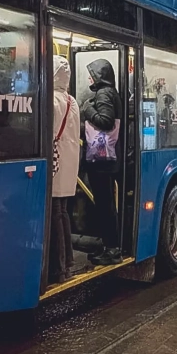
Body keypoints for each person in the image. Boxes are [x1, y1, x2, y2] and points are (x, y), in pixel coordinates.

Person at [81, 58, 123, 266]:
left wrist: (87, 110)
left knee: (105, 205)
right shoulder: (111, 93)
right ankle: (110, 247)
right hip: (107, 159)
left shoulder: (104, 94)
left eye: (93, 73)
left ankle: (112, 249)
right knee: (106, 204)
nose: (90, 77)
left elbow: (105, 122)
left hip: (102, 160)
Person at [50, 56, 80, 284]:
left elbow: (49, 133)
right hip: (69, 163)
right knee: (63, 212)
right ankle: (68, 262)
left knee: (55, 213)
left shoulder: (52, 101)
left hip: (55, 164)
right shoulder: (73, 101)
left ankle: (59, 267)